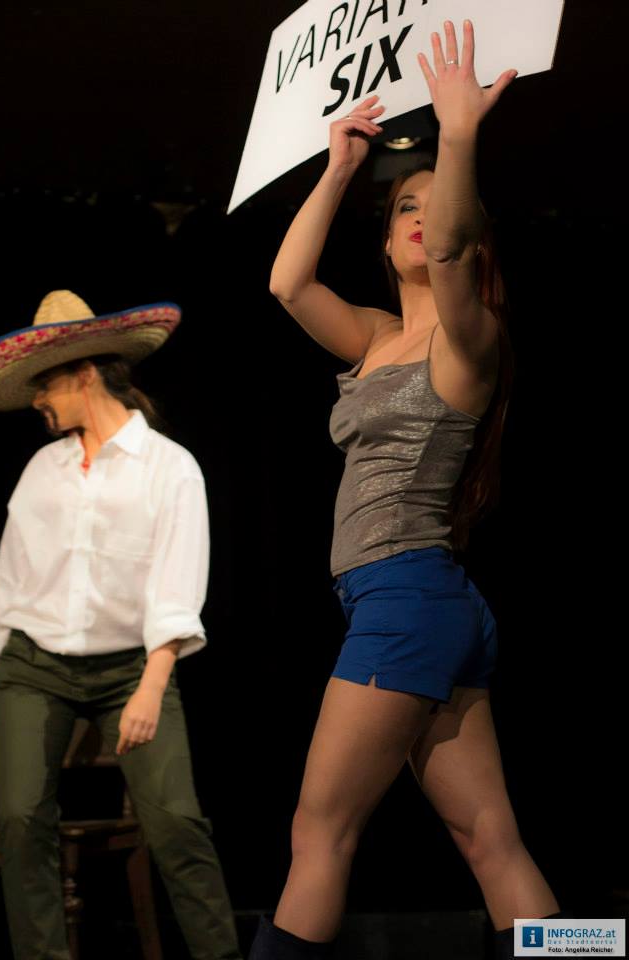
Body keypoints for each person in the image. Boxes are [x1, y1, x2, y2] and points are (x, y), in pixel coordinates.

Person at [248, 21, 566, 960]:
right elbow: (287, 283)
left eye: (437, 204)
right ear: (387, 243)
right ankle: (597, 951)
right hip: (423, 606)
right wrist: (341, 167)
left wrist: (460, 131)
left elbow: (457, 256)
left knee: (319, 835)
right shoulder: (375, 337)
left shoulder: (470, 339)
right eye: (404, 208)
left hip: (406, 599)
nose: (422, 218)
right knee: (490, 840)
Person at [0, 290, 242, 960]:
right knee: (19, 818)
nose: (37, 401)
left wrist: (152, 687)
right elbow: (9, 588)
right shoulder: (42, 471)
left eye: (44, 385)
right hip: (33, 666)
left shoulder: (169, 468)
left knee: (177, 824)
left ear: (84, 375)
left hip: (132, 667)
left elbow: (175, 587)